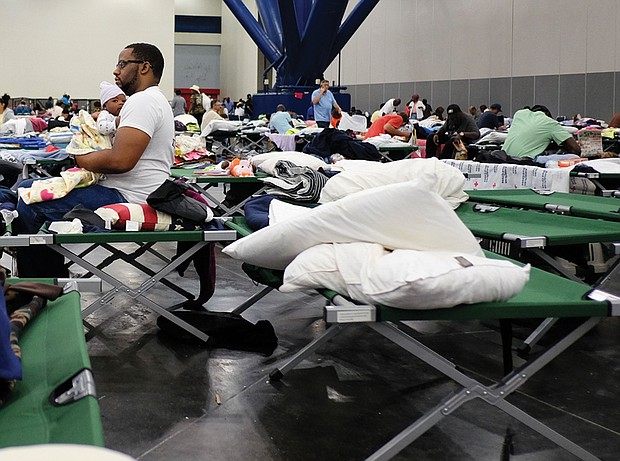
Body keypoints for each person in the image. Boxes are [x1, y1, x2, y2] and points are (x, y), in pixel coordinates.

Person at [13, 42, 174, 278]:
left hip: (129, 196)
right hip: (130, 189)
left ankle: (40, 283)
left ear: (144, 67)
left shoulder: (143, 102)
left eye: (122, 63)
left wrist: (80, 157)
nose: (115, 71)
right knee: (26, 188)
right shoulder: (152, 101)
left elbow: (120, 161)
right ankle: (52, 274)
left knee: (28, 203)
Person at [502, 105, 581, 159]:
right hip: (525, 160)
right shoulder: (550, 122)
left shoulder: (519, 114)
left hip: (502, 157)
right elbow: (576, 150)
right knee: (574, 157)